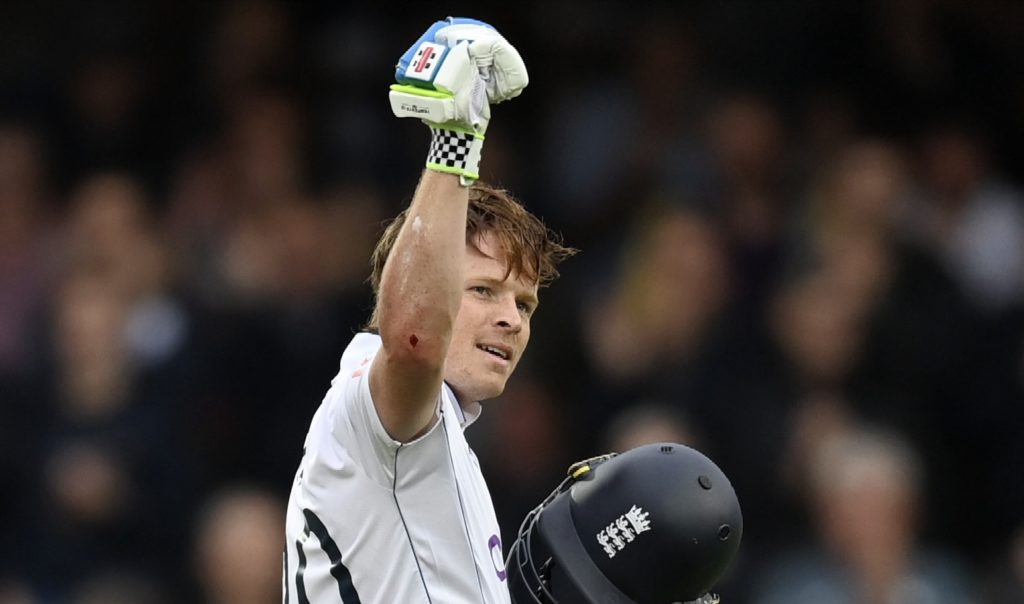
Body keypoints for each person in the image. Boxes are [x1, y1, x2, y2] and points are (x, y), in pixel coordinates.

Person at [283, 17, 574, 603]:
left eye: (525, 303)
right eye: (484, 290)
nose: (512, 319)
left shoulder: (437, 439)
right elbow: (414, 339)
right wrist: (454, 145)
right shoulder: (380, 403)